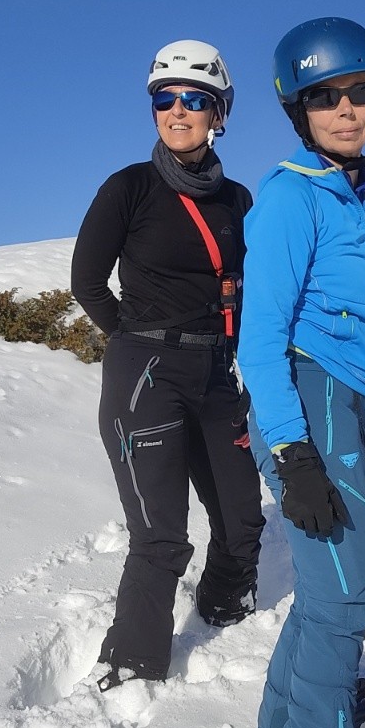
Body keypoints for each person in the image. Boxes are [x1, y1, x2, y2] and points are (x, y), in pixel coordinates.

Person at [239, 17, 365, 728]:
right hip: (306, 398)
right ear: (297, 111)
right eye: (324, 98)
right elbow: (260, 340)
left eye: (359, 91)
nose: (346, 110)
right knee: (347, 597)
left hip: (356, 400)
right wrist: (292, 452)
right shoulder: (288, 198)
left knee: (323, 597)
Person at [71, 40, 264, 687]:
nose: (178, 111)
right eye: (165, 98)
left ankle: (224, 614)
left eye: (195, 99)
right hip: (146, 372)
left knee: (241, 520)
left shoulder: (236, 202)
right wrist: (135, 341)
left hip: (215, 375)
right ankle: (132, 662)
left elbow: (255, 286)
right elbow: (88, 283)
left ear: (220, 113)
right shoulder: (130, 188)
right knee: (161, 536)